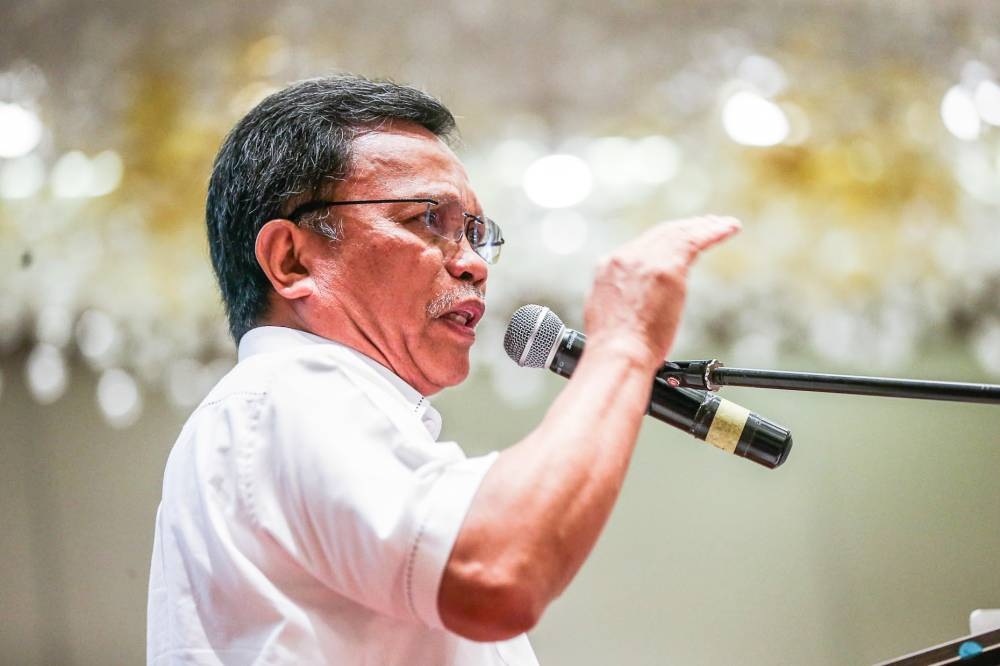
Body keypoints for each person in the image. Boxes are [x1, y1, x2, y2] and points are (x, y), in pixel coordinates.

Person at [146, 74, 740, 665]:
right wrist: (625, 345)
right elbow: (497, 574)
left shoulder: (297, 411)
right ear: (292, 258)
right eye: (428, 220)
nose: (475, 265)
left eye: (476, 234)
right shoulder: (282, 395)